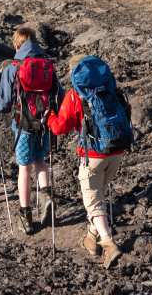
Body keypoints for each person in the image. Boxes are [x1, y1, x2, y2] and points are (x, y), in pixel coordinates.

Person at [48, 52, 132, 269]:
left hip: (93, 155)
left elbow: (59, 128)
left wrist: (48, 116)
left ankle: (107, 242)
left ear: (75, 72)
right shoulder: (110, 88)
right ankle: (90, 239)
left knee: (93, 203)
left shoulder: (75, 95)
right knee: (98, 197)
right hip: (117, 150)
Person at [0, 27, 64, 235]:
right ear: (35, 43)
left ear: (16, 45)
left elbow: (4, 103)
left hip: (23, 125)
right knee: (40, 161)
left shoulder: (13, 68)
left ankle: (26, 216)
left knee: (24, 168)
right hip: (45, 123)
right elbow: (60, 95)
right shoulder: (48, 65)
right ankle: (46, 196)